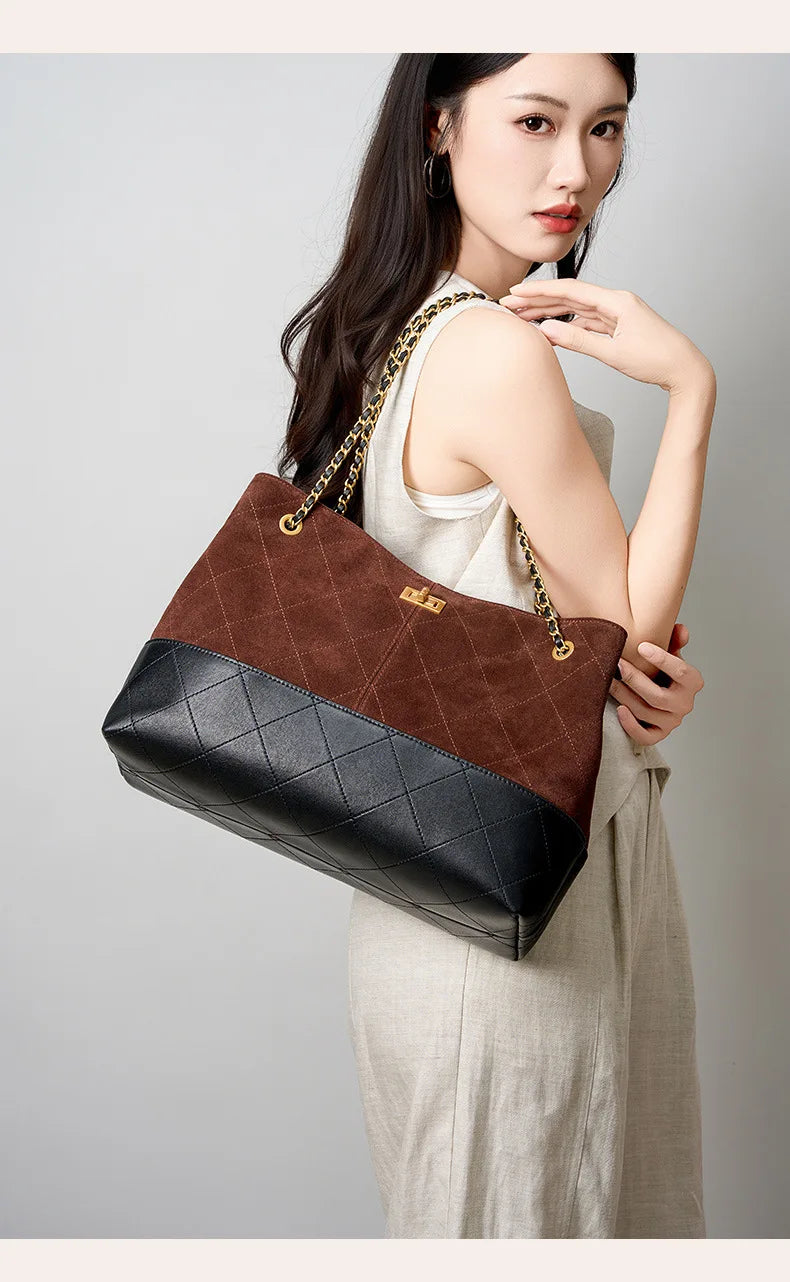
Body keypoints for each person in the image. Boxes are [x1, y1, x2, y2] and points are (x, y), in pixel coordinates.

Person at [277, 53, 713, 1239]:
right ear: (439, 127)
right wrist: (689, 390)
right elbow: (616, 627)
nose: (576, 169)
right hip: (516, 901)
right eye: (534, 120)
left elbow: (567, 646)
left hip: (448, 886)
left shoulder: (396, 328)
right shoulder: (489, 349)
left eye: (606, 127)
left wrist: (629, 683)